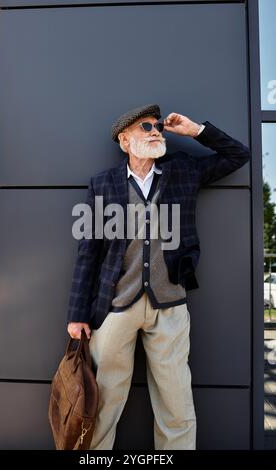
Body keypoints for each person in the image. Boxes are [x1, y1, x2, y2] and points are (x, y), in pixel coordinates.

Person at [66, 103, 250, 450]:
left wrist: (196, 131)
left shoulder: (182, 171)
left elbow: (238, 155)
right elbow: (88, 250)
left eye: (158, 127)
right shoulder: (103, 183)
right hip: (116, 306)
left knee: (175, 400)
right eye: (145, 127)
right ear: (125, 140)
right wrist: (76, 314)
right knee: (103, 400)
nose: (155, 132)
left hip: (170, 305)